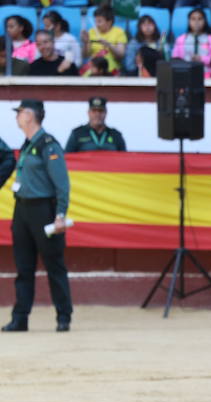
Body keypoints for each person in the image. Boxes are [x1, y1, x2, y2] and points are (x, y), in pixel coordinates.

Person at [3, 100, 73, 333]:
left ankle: (63, 316)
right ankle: (20, 317)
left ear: (30, 116)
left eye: (20, 112)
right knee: (23, 267)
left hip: (43, 210)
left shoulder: (48, 145)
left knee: (54, 265)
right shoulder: (28, 144)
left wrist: (60, 214)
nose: (17, 117)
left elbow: (61, 184)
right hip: (22, 210)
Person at [172, 9, 211, 78]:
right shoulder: (181, 39)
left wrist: (202, 59)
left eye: (200, 19)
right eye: (193, 19)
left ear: (205, 21)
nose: (196, 22)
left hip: (207, 74)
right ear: (189, 21)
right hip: (185, 74)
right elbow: (175, 59)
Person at [81, 5, 127, 75]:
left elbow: (120, 55)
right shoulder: (91, 32)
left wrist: (109, 45)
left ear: (109, 22)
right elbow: (85, 55)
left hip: (111, 69)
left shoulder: (119, 32)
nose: (96, 24)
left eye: (99, 21)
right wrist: (85, 42)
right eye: (95, 21)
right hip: (94, 69)